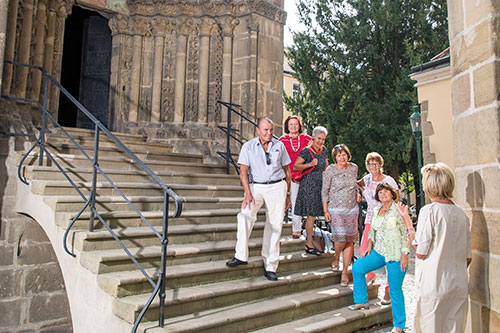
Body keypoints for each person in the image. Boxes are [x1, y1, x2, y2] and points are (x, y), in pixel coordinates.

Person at [398, 162, 471, 333]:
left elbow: (421, 252)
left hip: (435, 283)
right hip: (458, 283)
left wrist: (409, 224)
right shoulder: (462, 214)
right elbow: (467, 258)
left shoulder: (429, 211)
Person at [226, 117, 291, 281]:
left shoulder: (280, 146)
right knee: (245, 215)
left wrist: (288, 194)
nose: (269, 133)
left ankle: (270, 265)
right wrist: (247, 193)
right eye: (265, 130)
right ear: (258, 130)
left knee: (275, 225)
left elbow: (287, 171)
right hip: (257, 187)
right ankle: (241, 255)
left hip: (277, 186)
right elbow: (243, 172)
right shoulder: (248, 147)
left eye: (271, 130)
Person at [349, 183, 410, 333]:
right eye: (380, 192)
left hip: (395, 254)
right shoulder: (376, 210)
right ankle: (361, 300)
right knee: (358, 267)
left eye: (386, 192)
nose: (383, 194)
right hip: (379, 251)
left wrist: (404, 254)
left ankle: (399, 325)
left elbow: (406, 234)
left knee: (395, 289)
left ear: (392, 194)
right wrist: (369, 243)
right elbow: (372, 230)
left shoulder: (398, 210)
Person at [357, 152, 400, 304]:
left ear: (381, 165)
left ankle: (388, 292)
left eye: (375, 164)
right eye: (370, 164)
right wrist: (358, 192)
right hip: (370, 219)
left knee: (390, 256)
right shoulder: (367, 179)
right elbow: (357, 184)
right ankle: (369, 278)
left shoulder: (388, 181)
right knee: (363, 252)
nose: (372, 167)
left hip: (386, 222)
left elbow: (397, 200)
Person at [322, 144, 360, 286]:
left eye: (344, 154)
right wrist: (325, 210)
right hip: (335, 208)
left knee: (349, 240)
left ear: (347, 155)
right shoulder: (330, 170)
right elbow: (324, 191)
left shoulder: (354, 168)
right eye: (339, 155)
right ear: (335, 158)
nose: (342, 157)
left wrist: (358, 192)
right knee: (340, 238)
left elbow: (356, 184)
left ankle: (344, 271)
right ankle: (336, 256)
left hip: (352, 209)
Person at [293, 126, 328, 255]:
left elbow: (326, 166)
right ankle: (308, 243)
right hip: (308, 185)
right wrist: (309, 164)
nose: (321, 141)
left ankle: (310, 241)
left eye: (323, 139)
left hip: (320, 184)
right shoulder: (306, 151)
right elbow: (296, 166)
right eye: (319, 138)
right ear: (313, 137)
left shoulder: (323, 150)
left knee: (313, 216)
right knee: (311, 215)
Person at [279, 116, 312, 239]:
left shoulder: (305, 138)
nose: (293, 127)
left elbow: (315, 149)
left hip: (301, 175)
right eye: (291, 124)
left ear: (299, 126)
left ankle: (296, 229)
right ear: (287, 126)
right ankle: (278, 227)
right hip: (286, 175)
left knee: (296, 202)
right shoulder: (282, 140)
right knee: (282, 202)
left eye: (295, 124)